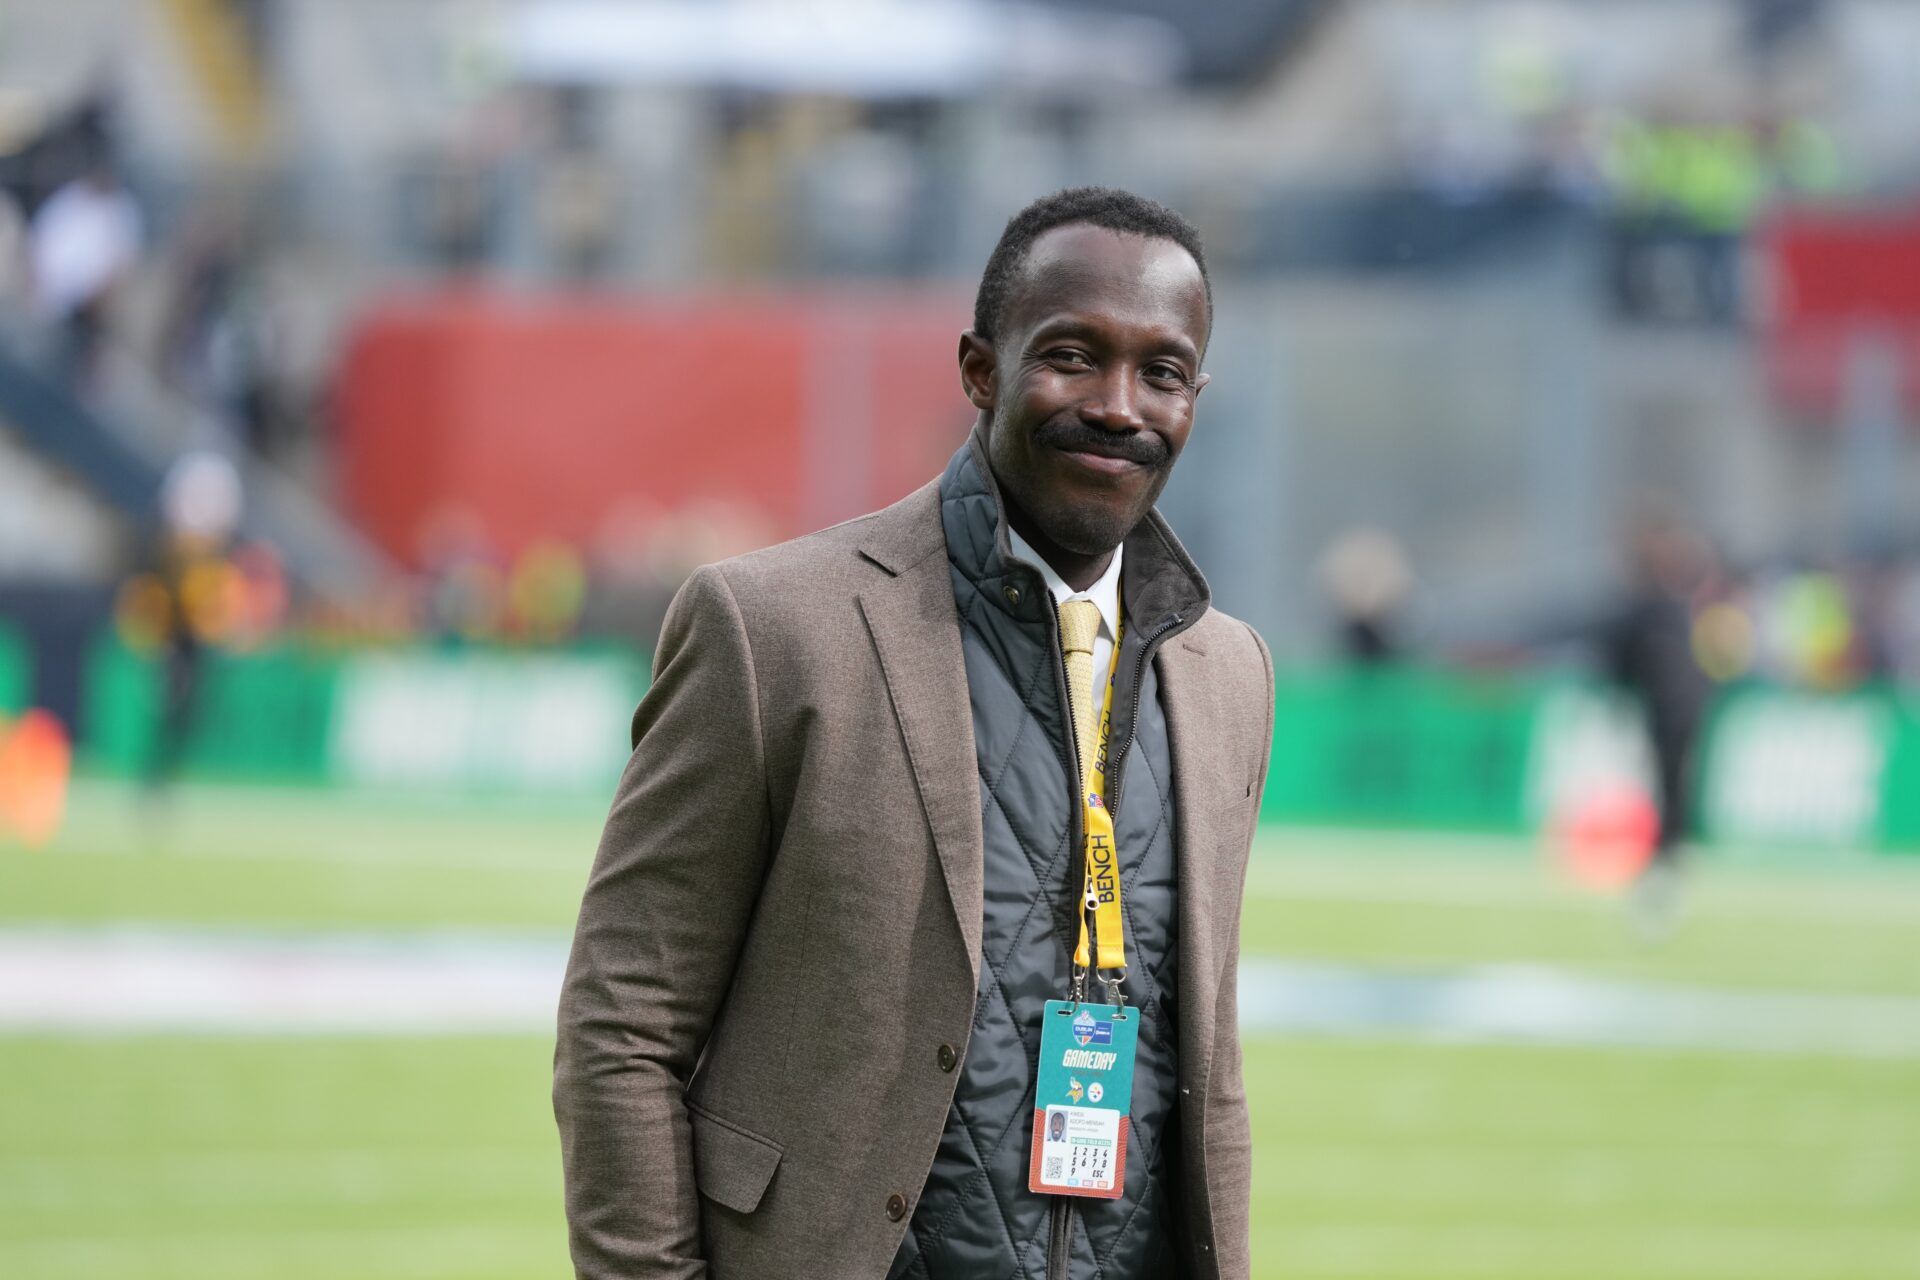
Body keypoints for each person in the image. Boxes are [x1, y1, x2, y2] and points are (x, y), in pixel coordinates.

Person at [554, 187, 1274, 1279]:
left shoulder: (1230, 675)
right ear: (979, 369)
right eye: (1073, 354)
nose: (1121, 404)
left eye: (1162, 371)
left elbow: (1204, 1068)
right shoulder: (774, 627)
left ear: (1196, 395)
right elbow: (623, 1026)